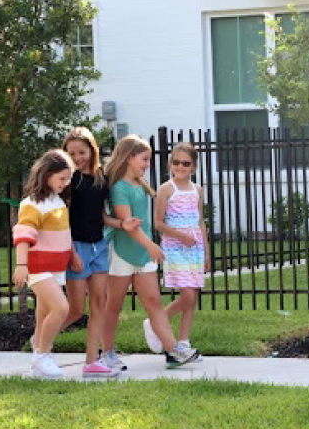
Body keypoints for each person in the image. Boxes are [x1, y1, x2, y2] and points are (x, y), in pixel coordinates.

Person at [101, 135, 200, 369]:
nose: (148, 164)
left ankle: (173, 350)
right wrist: (151, 245)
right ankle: (107, 352)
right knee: (113, 305)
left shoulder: (139, 184)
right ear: (129, 157)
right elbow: (129, 224)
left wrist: (147, 248)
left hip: (143, 255)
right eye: (144, 159)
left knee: (154, 302)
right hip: (123, 253)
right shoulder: (119, 188)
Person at [60, 127, 141, 377]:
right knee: (75, 310)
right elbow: (62, 220)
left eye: (81, 152)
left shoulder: (99, 178)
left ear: (92, 151)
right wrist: (72, 252)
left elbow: (103, 216)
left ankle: (91, 362)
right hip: (77, 248)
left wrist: (122, 224)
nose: (76, 157)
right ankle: (40, 340)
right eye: (71, 153)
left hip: (99, 248)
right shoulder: (67, 181)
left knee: (98, 304)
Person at [12, 150, 75, 379]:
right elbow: (23, 235)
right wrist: (21, 265)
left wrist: (73, 256)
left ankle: (38, 356)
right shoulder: (32, 204)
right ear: (47, 174)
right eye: (62, 178)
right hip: (38, 267)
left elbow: (62, 234)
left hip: (56, 268)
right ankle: (42, 354)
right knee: (61, 309)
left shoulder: (57, 201)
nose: (66, 183)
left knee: (44, 313)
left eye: (68, 179)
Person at [152, 142, 210, 359]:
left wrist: (205, 251)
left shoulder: (197, 190)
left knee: (192, 297)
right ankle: (157, 322)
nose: (180, 167)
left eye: (185, 163)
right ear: (170, 164)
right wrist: (180, 236)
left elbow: (200, 222)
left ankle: (184, 341)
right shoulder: (166, 189)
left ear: (193, 166)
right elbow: (158, 223)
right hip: (175, 248)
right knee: (186, 295)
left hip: (194, 250)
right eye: (176, 162)